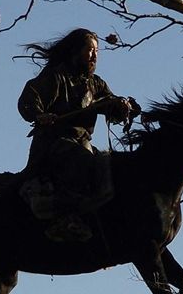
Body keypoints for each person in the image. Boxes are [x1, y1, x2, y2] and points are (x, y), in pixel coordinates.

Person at [17, 28, 139, 242]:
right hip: (54, 143)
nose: (94, 55)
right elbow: (30, 97)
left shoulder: (96, 83)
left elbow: (110, 103)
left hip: (83, 143)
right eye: (90, 50)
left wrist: (121, 106)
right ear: (75, 51)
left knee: (108, 166)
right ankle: (63, 219)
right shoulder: (56, 76)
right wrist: (40, 115)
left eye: (97, 51)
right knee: (81, 162)